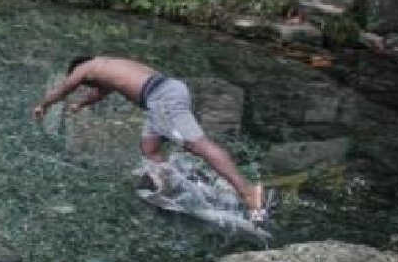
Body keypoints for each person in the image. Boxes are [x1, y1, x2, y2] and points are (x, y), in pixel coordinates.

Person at [31, 56, 266, 223]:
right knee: (150, 148)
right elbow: (100, 91)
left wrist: (43, 105)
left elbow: (64, 88)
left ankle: (247, 191)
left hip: (161, 98)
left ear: (79, 68)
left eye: (82, 80)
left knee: (198, 144)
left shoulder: (84, 68)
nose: (83, 83)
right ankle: (167, 185)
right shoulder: (107, 64)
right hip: (165, 93)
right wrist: (82, 104)